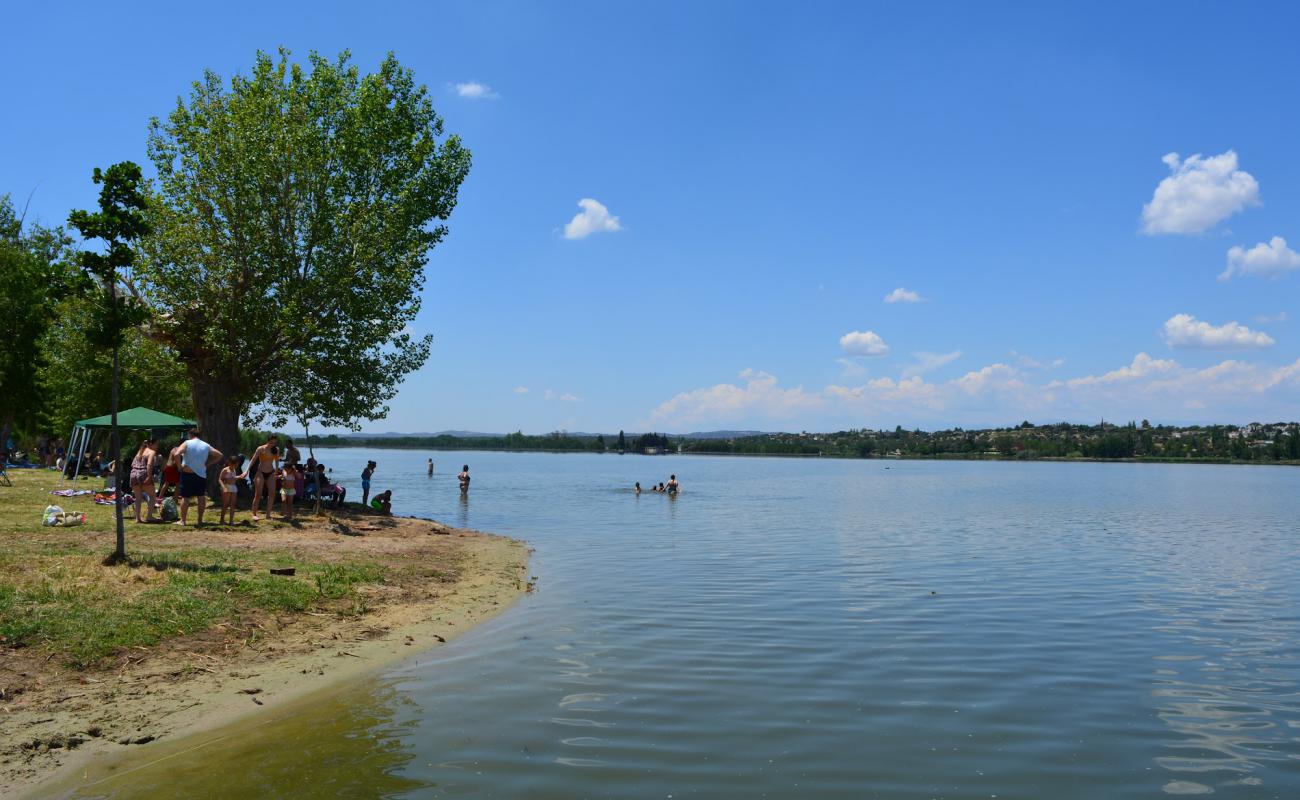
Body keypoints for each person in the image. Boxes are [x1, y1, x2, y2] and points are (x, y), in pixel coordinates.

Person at [174, 428, 223, 526]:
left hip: (187, 473)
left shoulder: (187, 443)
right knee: (201, 496)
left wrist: (179, 467)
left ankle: (183, 520)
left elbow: (176, 454)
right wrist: (208, 463)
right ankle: (200, 520)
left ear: (190, 435)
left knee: (185, 497)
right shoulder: (205, 445)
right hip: (201, 474)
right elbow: (219, 455)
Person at [242, 435, 280, 521]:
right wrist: (246, 470)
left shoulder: (276, 449)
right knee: (258, 493)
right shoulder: (261, 448)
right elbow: (253, 460)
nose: (272, 444)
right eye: (271, 442)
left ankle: (268, 515)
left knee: (272, 493)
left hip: (271, 472)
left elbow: (277, 461)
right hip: (260, 472)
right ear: (268, 441)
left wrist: (277, 472)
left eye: (274, 443)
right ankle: (254, 514)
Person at [129, 437, 159, 523]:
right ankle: (149, 516)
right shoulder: (152, 452)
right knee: (153, 496)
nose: (157, 446)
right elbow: (149, 464)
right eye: (156, 444)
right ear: (151, 444)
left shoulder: (140, 451)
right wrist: (149, 476)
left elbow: (132, 464)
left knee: (138, 498)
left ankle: (137, 518)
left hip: (134, 473)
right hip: (144, 474)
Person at [219, 455, 240, 525]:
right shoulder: (225, 470)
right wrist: (223, 487)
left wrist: (239, 477)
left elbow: (233, 478)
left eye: (237, 465)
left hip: (233, 487)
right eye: (235, 464)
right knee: (225, 504)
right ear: (230, 463)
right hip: (226, 487)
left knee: (233, 504)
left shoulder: (234, 470)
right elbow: (220, 479)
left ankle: (231, 521)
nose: (236, 466)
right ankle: (222, 520)